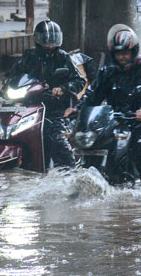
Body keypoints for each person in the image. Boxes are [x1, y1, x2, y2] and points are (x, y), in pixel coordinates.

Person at [74, 24, 141, 186]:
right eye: (118, 53)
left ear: (133, 51)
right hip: (116, 118)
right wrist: (77, 109)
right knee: (96, 138)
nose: (122, 57)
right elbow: (93, 94)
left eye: (125, 53)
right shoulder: (107, 71)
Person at [7, 20, 85, 168]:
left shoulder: (64, 58)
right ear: (37, 40)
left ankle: (70, 172)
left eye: (53, 42)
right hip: (28, 106)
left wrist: (63, 88)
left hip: (54, 109)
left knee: (58, 140)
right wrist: (5, 86)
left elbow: (79, 81)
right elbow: (14, 75)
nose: (49, 46)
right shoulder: (29, 56)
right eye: (46, 42)